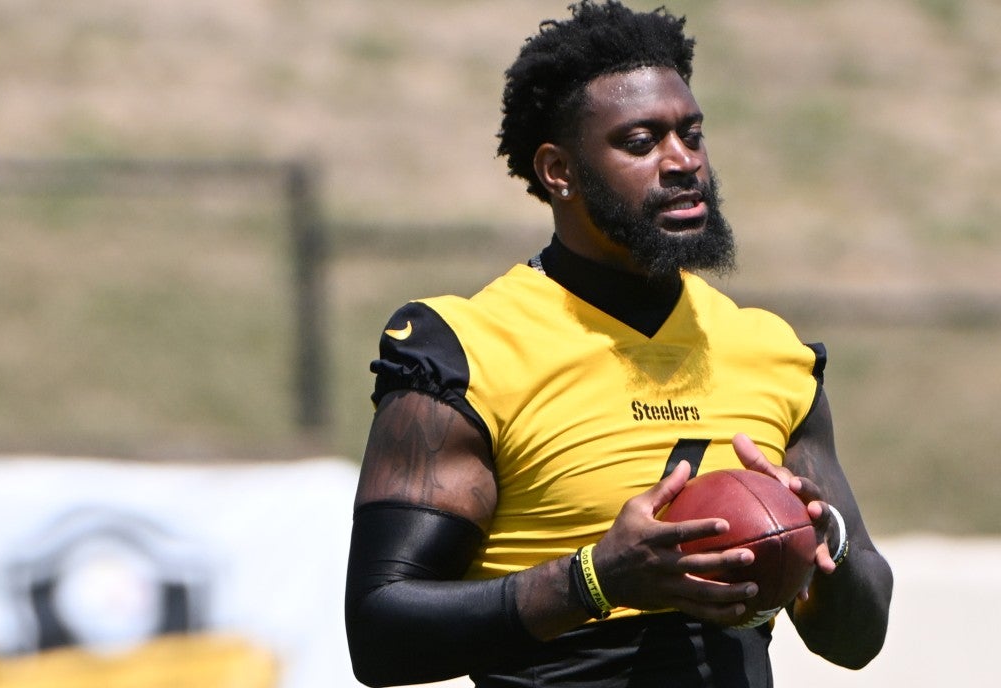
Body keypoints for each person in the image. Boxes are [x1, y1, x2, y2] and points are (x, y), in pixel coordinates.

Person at [344, 2, 893, 686]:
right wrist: (598, 580)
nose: (682, 162)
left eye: (691, 135)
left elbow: (858, 640)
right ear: (558, 171)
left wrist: (821, 536)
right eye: (641, 142)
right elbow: (380, 634)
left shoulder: (771, 353)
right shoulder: (466, 349)